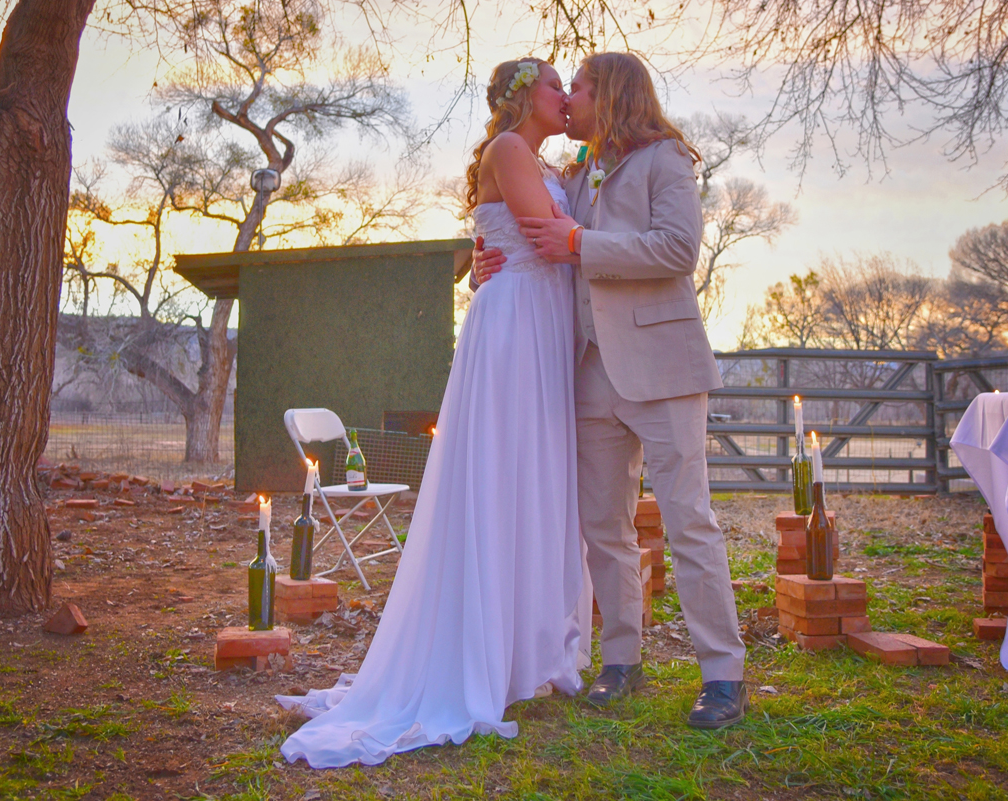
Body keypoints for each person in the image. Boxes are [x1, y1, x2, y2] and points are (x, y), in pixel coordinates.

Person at [276, 58, 590, 768]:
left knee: (533, 479)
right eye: (553, 85)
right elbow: (547, 233)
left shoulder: (545, 160)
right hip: (513, 327)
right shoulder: (510, 150)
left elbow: (555, 231)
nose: (564, 96)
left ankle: (520, 647)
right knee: (500, 475)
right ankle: (475, 656)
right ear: (520, 98)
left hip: (541, 322)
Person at [473, 51, 749, 729]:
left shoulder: (666, 161)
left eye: (582, 88)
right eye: (562, 88)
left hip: (662, 365)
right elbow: (528, 239)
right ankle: (620, 660)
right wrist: (482, 266)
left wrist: (582, 241)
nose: (570, 98)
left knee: (689, 521)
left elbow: (676, 250)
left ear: (613, 93)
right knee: (604, 527)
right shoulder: (573, 172)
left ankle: (723, 673)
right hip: (590, 370)